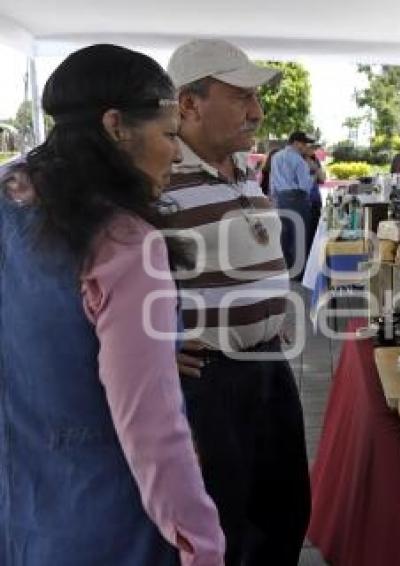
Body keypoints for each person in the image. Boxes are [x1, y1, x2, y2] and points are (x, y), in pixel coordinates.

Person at [0, 44, 224, 565]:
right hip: (104, 520)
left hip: (20, 510)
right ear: (116, 125)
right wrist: (203, 545)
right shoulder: (125, 244)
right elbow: (153, 434)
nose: (177, 152)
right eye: (169, 134)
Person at [163, 38, 310, 566]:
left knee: (285, 508)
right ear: (189, 104)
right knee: (222, 521)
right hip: (209, 380)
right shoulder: (154, 179)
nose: (257, 110)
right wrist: (153, 348)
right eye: (241, 95)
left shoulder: (242, 168)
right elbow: (97, 286)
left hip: (268, 364)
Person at [270, 131, 315, 279]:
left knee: (284, 234)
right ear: (295, 143)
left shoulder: (276, 157)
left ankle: (284, 269)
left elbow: (273, 182)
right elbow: (305, 185)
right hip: (298, 197)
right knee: (299, 234)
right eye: (303, 143)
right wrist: (313, 177)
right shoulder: (299, 160)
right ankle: (298, 273)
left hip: (282, 198)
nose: (305, 147)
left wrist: (274, 198)